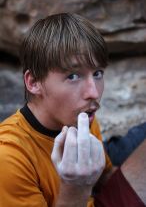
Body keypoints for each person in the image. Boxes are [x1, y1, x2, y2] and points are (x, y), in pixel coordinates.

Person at [0, 13, 145, 207]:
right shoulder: (9, 158)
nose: (93, 92)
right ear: (34, 82)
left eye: (98, 73)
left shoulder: (80, 118)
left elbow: (104, 178)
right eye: (73, 76)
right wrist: (75, 186)